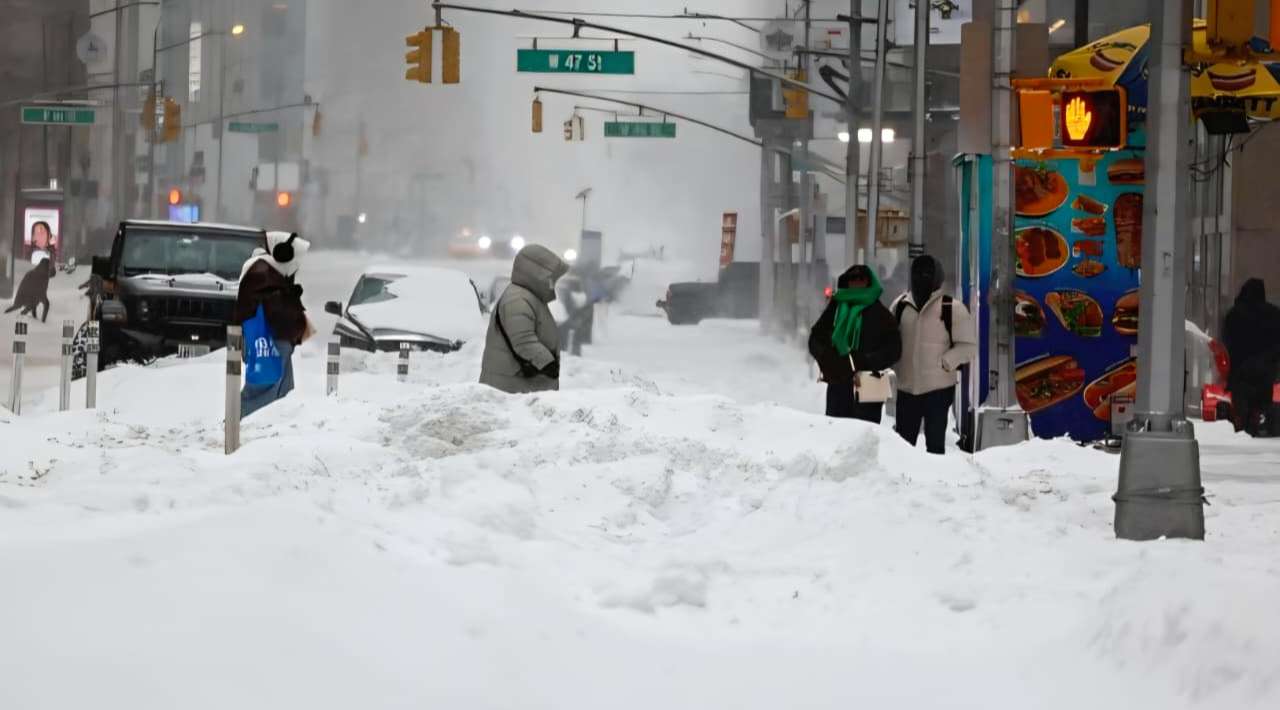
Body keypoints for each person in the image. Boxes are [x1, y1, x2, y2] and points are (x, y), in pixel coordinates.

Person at [891, 255, 977, 454]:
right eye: (918, 273)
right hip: (907, 388)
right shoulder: (900, 306)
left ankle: (936, 483)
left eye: (928, 273)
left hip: (939, 390)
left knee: (935, 445)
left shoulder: (951, 308)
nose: (922, 278)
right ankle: (904, 482)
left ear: (937, 277)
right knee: (903, 447)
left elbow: (968, 346)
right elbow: (888, 338)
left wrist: (946, 362)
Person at [808, 264, 902, 423]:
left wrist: (866, 360)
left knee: (866, 434)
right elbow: (816, 338)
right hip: (839, 377)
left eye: (861, 279)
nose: (857, 283)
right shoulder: (836, 308)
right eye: (853, 280)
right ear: (846, 282)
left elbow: (894, 349)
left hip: (871, 381)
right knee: (836, 432)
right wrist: (827, 358)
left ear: (869, 282)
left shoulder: (880, 313)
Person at [234, 231, 311, 418]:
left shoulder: (269, 272)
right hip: (268, 337)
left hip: (277, 337)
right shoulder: (261, 271)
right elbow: (270, 307)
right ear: (282, 254)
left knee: (281, 392)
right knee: (264, 387)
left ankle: (261, 427)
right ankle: (237, 424)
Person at [480, 244, 569, 394]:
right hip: (511, 388)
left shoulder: (529, 297)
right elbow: (523, 340)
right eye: (550, 278)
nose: (552, 283)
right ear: (537, 274)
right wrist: (547, 364)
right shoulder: (518, 299)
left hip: (518, 385)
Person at [1222, 279, 1280, 434]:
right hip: (1266, 372)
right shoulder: (1274, 315)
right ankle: (1260, 421)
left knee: (1242, 401)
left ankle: (1242, 423)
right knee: (1262, 400)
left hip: (1241, 372)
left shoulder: (1234, 315)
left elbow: (1227, 341)